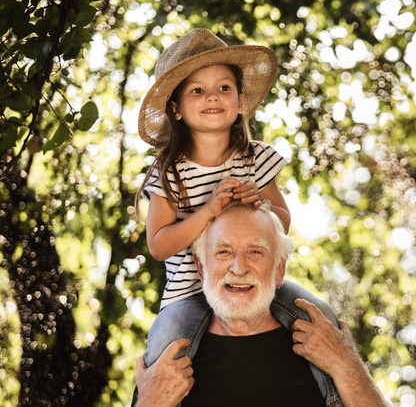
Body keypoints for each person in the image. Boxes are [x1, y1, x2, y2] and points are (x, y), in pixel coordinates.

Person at [135, 28, 336, 367]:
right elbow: (158, 245)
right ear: (176, 109)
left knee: (321, 316)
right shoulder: (169, 171)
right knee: (164, 350)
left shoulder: (255, 158)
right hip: (188, 295)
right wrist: (207, 212)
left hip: (255, 284)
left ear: (240, 102)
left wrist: (262, 205)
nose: (212, 97)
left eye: (223, 88)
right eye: (197, 90)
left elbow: (283, 222)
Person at [133, 201, 388, 407]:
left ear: (279, 269)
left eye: (256, 251)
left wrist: (346, 365)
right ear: (201, 267)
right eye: (223, 251)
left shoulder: (322, 342)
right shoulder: (167, 363)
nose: (239, 268)